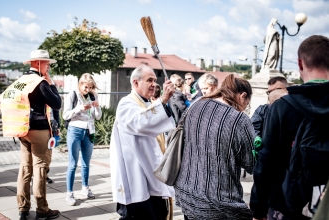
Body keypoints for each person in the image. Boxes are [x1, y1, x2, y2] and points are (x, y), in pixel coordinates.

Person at [251, 35, 329, 220]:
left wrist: (258, 209)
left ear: (300, 64)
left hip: (286, 205)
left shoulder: (282, 106)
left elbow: (266, 165)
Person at [174, 74, 255, 219]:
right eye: (247, 104)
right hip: (218, 205)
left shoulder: (196, 105)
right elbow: (252, 164)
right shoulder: (239, 119)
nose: (245, 108)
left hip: (186, 196)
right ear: (242, 96)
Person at [0, 49, 61, 220]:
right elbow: (56, 103)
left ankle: (23, 209)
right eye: (47, 63)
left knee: (25, 169)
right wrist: (51, 84)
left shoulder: (20, 81)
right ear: (37, 63)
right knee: (40, 169)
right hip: (39, 130)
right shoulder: (40, 82)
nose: (48, 67)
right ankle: (42, 209)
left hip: (23, 130)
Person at [110, 64, 176, 220]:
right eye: (149, 80)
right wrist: (163, 100)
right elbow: (141, 122)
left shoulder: (147, 103)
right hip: (135, 174)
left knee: (157, 213)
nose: (154, 84)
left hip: (150, 171)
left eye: (154, 80)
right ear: (135, 83)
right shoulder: (126, 104)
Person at [63, 73, 102, 206]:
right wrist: (79, 108)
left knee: (86, 163)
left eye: (90, 87)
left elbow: (97, 117)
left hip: (89, 131)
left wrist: (97, 106)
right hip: (75, 130)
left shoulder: (93, 95)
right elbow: (65, 115)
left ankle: (85, 188)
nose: (88, 89)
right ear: (80, 84)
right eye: (86, 87)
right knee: (73, 164)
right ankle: (69, 193)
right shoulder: (72, 95)